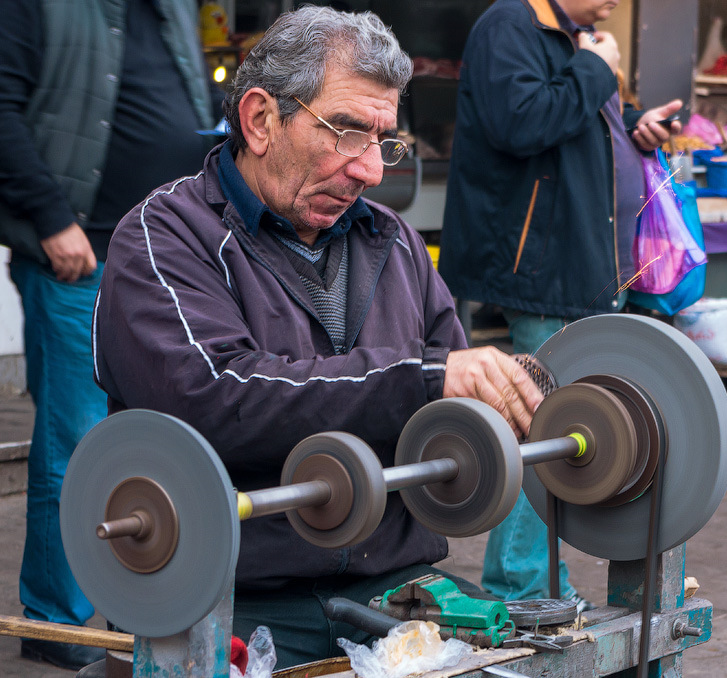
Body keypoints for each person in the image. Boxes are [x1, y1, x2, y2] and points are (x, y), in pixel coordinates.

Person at [90, 6, 543, 669]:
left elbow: (452, 402)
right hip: (236, 595)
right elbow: (213, 398)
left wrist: (510, 403)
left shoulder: (394, 243)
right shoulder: (164, 236)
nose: (369, 171)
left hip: (395, 587)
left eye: (383, 141)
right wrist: (421, 381)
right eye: (348, 132)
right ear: (261, 119)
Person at [0, 0, 223, 670]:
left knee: (159, 444)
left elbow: (199, 111)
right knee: (76, 443)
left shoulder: (173, 7)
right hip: (78, 256)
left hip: (164, 260)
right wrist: (51, 217)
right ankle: (55, 623)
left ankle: (133, 609)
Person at [439, 0, 683, 607]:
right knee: (542, 422)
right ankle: (524, 583)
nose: (615, 3)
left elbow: (571, 119)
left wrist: (631, 123)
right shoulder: (508, 27)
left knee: (554, 418)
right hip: (544, 266)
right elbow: (521, 123)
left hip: (580, 263)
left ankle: (531, 577)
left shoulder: (571, 36)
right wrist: (598, 70)